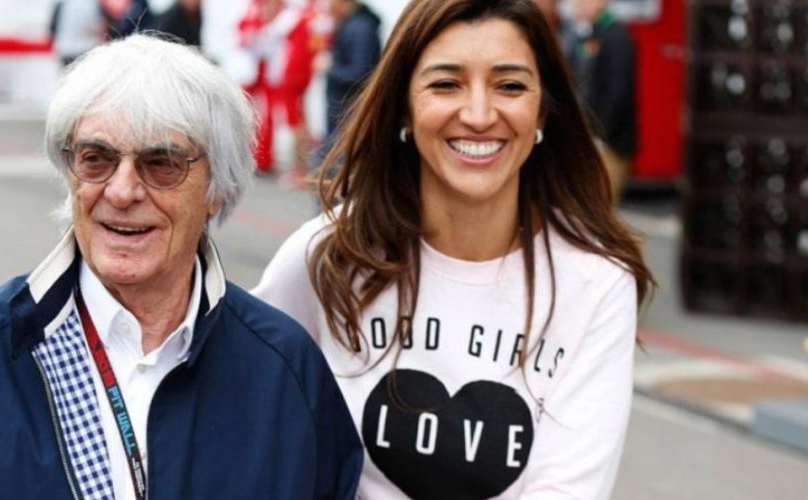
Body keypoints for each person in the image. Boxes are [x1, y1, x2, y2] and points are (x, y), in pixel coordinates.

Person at [0, 33, 363, 500]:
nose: (121, 191)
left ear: (216, 189)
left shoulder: (285, 368)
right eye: (96, 159)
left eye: (162, 164)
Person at [253, 0, 655, 498]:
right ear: (405, 106)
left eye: (510, 86)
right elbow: (245, 406)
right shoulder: (330, 253)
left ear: (542, 111)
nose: (479, 115)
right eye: (446, 84)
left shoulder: (596, 283)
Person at [238, 0, 318, 185]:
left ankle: (300, 171)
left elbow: (267, 37)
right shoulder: (292, 16)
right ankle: (296, 169)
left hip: (289, 76)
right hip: (280, 75)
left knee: (294, 120)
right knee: (289, 119)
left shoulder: (292, 17)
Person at [564, 0, 636, 203]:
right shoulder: (585, 34)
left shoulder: (616, 36)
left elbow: (619, 93)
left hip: (608, 144)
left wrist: (601, 135)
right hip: (588, 137)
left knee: (601, 207)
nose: (576, 6)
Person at [315, 0, 381, 168]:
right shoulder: (352, 23)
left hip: (347, 111)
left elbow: (362, 74)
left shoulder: (359, 28)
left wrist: (329, 69)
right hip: (343, 110)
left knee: (341, 166)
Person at [50, 0, 113, 67]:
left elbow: (53, 28)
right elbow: (104, 25)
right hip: (88, 49)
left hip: (67, 49)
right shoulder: (94, 4)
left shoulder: (62, 4)